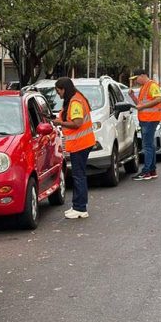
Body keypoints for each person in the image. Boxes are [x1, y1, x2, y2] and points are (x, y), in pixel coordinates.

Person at [51, 77, 95, 219]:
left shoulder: (75, 102)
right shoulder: (75, 98)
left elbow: (77, 123)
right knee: (78, 175)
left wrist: (60, 123)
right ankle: (77, 205)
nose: (58, 94)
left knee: (78, 176)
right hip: (81, 143)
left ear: (64, 89)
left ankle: (80, 208)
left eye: (59, 91)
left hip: (80, 144)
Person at [129, 68, 161, 180]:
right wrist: (132, 97)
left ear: (143, 75)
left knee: (147, 146)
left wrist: (142, 106)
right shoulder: (144, 87)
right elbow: (140, 104)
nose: (136, 81)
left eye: (136, 78)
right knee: (150, 146)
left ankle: (146, 172)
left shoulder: (152, 85)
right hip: (146, 119)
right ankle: (152, 170)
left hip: (150, 119)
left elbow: (158, 99)